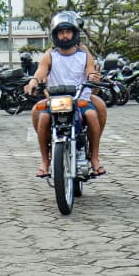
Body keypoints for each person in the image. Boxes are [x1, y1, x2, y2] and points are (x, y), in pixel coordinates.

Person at [25, 11, 105, 179]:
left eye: (68, 32)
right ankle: (45, 161)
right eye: (61, 32)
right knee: (42, 117)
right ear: (55, 35)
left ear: (75, 33)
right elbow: (40, 71)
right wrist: (33, 82)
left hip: (79, 100)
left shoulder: (85, 55)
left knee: (92, 115)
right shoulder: (49, 55)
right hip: (56, 101)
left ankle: (95, 157)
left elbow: (90, 71)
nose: (65, 36)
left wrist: (93, 77)